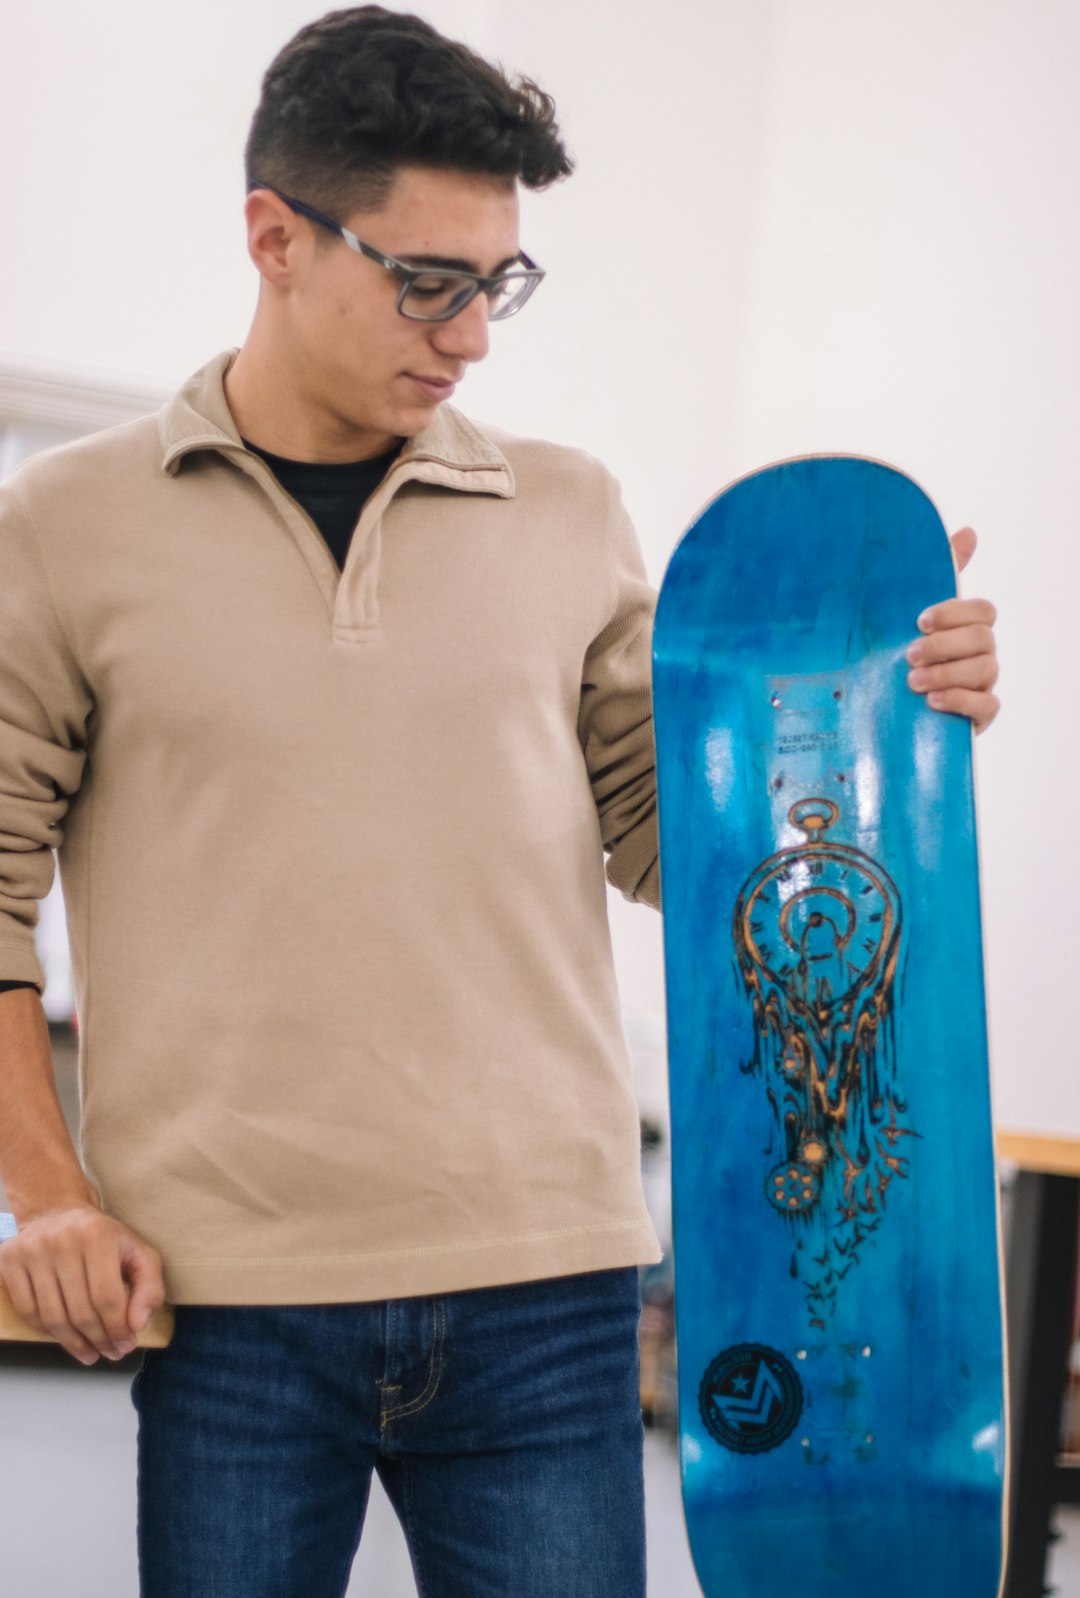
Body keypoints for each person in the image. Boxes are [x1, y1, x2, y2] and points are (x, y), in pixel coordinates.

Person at [0, 7, 1000, 1595]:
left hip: (548, 1285)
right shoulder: (63, 528)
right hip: (232, 1293)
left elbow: (690, 852)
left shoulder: (568, 509)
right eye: (427, 282)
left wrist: (873, 709)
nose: (470, 335)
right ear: (274, 235)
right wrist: (44, 1194)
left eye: (499, 284)